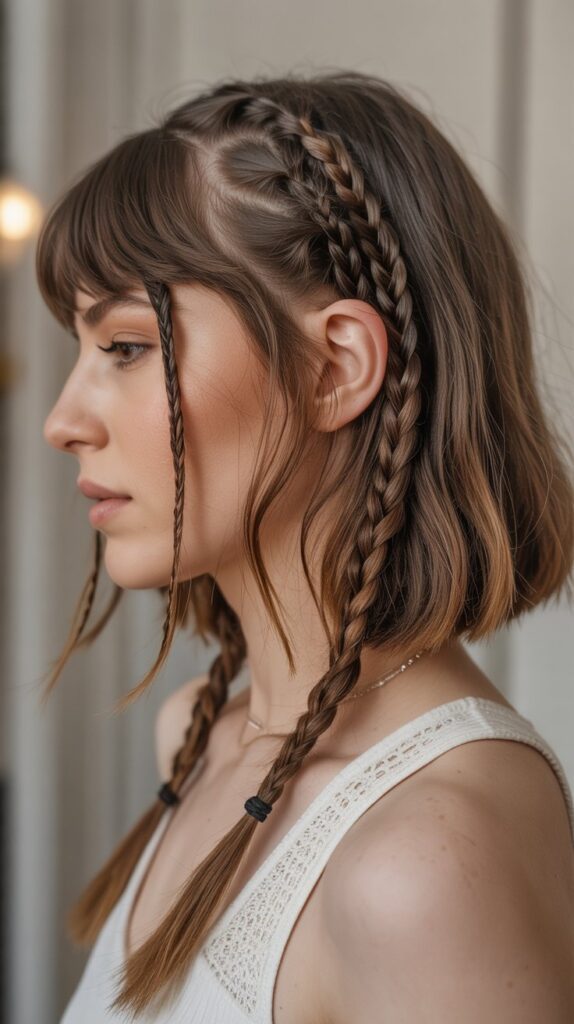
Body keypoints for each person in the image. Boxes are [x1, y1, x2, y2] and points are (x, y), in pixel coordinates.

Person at [39, 70, 574, 1023]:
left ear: (334, 368)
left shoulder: (422, 863)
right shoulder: (203, 739)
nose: (63, 421)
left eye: (125, 346)